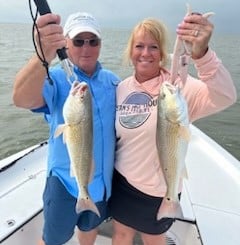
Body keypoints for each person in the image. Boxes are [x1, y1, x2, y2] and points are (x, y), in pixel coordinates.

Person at [109, 13, 237, 245]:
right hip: (123, 182)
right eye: (139, 46)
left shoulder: (178, 89)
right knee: (121, 234)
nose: (145, 53)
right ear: (130, 51)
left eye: (153, 46)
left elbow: (225, 96)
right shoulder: (122, 88)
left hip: (160, 192)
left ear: (162, 53)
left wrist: (202, 55)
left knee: (154, 239)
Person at [12, 12, 119, 245]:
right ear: (66, 43)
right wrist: (43, 54)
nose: (86, 48)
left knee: (90, 227)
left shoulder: (113, 81)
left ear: (100, 45)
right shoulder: (56, 79)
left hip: (102, 183)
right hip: (64, 183)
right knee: (53, 239)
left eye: (93, 41)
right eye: (79, 41)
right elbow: (21, 99)